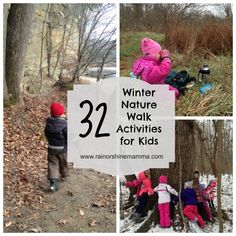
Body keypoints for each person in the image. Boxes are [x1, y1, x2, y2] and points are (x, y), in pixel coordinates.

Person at [45, 102, 68, 192]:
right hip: (62, 148)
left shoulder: (49, 123)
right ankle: (64, 175)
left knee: (52, 164)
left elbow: (46, 133)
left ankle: (53, 184)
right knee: (63, 162)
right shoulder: (65, 124)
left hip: (51, 148)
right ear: (61, 113)